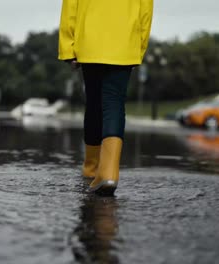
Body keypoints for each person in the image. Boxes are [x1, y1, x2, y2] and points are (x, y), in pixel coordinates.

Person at [58, 0, 154, 195]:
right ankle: (109, 173)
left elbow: (71, 7)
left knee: (94, 102)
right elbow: (146, 11)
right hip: (125, 41)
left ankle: (92, 169)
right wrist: (139, 47)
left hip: (90, 40)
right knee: (114, 102)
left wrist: (68, 47)